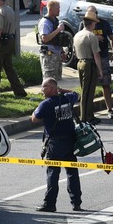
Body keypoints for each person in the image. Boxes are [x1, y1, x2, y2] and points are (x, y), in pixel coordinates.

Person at [31, 78, 83, 213]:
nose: (42, 90)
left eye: (44, 87)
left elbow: (34, 118)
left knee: (53, 173)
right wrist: (62, 90)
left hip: (55, 143)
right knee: (72, 172)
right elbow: (77, 94)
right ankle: (76, 202)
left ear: (51, 88)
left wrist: (36, 109)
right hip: (70, 141)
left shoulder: (45, 104)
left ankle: (50, 203)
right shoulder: (67, 99)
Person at [0, 0, 28, 98]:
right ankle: (20, 92)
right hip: (10, 41)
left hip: (1, 43)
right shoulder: (9, 10)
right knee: (9, 68)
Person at [85, 6, 113, 119]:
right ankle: (88, 112)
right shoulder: (84, 24)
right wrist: (95, 37)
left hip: (103, 56)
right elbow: (83, 36)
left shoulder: (104, 23)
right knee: (90, 86)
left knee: (106, 84)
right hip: (90, 58)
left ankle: (109, 109)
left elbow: (112, 38)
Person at [73, 9, 103, 124]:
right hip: (88, 63)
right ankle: (85, 117)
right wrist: (100, 70)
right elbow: (96, 55)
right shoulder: (91, 36)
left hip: (80, 62)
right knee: (88, 92)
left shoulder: (78, 35)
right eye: (94, 22)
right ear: (91, 23)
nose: (95, 24)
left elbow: (75, 52)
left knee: (86, 90)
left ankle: (88, 114)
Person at [38, 0, 66, 83]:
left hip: (56, 54)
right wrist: (58, 30)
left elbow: (57, 39)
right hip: (49, 55)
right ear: (50, 10)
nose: (59, 11)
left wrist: (62, 52)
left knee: (57, 80)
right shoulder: (45, 22)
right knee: (49, 80)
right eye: (57, 9)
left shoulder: (55, 20)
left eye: (59, 8)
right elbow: (45, 38)